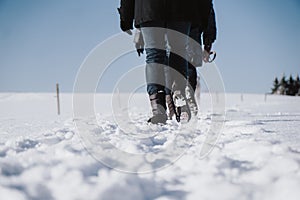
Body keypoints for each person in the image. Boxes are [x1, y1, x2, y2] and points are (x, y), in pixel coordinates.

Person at [118, 0, 213, 124]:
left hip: (149, 8)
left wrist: (126, 17)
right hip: (183, 8)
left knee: (154, 55)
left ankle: (158, 107)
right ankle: (178, 92)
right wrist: (203, 19)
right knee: (178, 52)